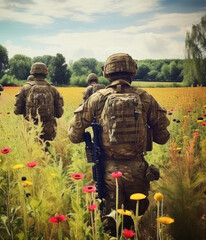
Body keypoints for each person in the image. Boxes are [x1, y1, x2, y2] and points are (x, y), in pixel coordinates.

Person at [68, 53, 170, 236]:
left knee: (110, 226)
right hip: (138, 171)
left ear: (106, 73)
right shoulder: (145, 98)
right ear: (133, 71)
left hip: (107, 171)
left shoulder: (98, 98)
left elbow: (74, 135)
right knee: (134, 224)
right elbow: (163, 138)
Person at [14, 62, 64, 145]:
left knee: (33, 150)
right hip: (48, 128)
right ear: (45, 72)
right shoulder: (52, 89)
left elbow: (17, 111)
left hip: (31, 126)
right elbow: (59, 113)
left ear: (32, 72)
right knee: (47, 148)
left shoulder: (26, 88)